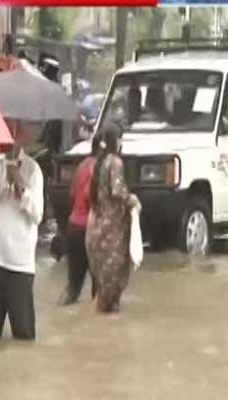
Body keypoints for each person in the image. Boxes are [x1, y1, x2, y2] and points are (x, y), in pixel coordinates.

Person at [0, 125, 44, 340]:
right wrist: (3, 182)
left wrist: (21, 186)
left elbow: (38, 215)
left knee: (24, 334)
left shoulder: (33, 170)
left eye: (16, 134)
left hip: (20, 263)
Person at [86, 123, 140, 313]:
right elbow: (117, 191)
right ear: (116, 141)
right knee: (112, 286)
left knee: (102, 285)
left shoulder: (98, 163)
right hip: (112, 232)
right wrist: (131, 199)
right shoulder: (115, 162)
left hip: (96, 229)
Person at [59, 134, 101, 306]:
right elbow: (88, 196)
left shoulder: (82, 165)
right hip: (91, 231)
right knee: (100, 290)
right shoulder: (99, 168)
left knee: (73, 287)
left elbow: (71, 196)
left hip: (74, 227)